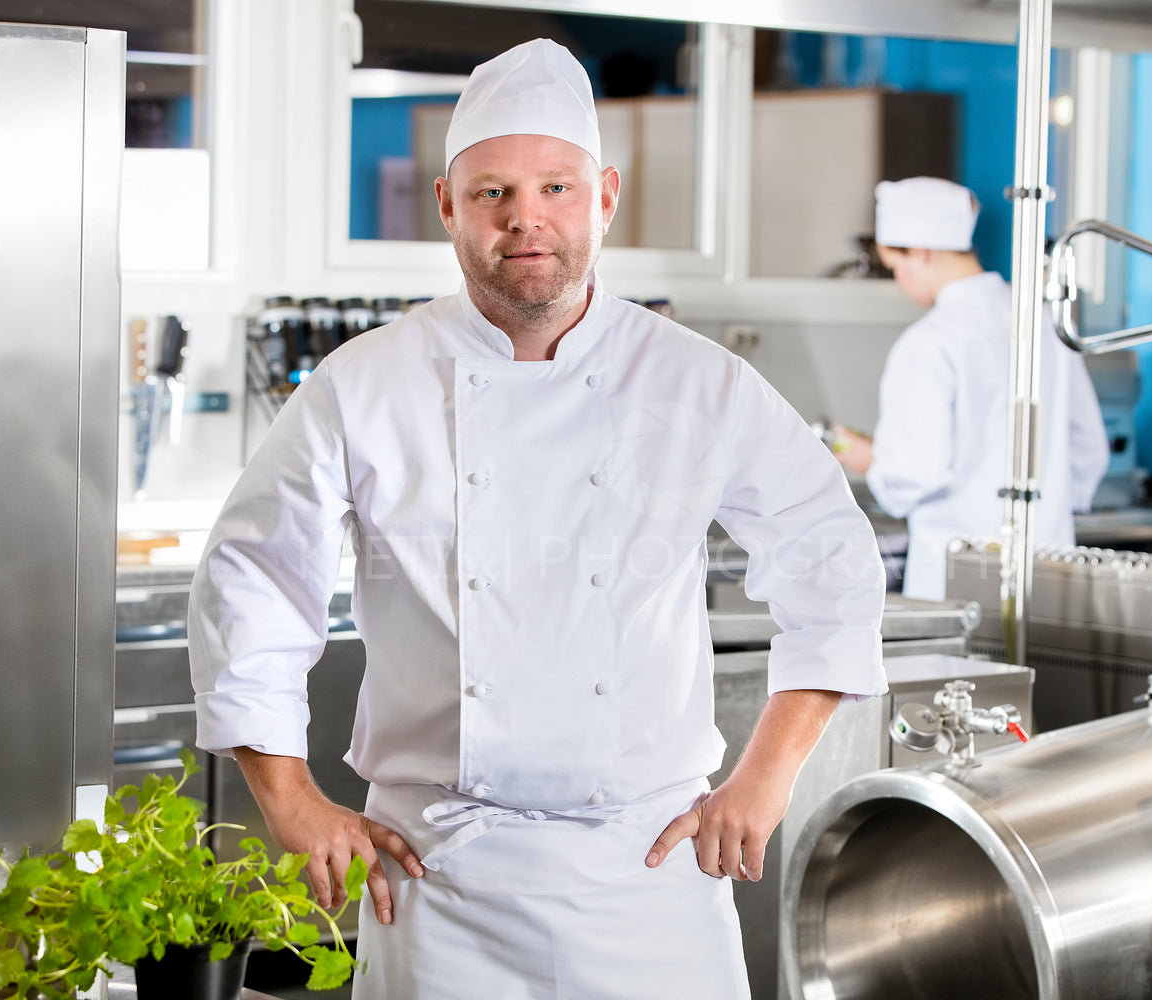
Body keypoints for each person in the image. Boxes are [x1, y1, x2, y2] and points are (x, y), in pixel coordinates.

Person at [188, 38, 887, 998]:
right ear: (447, 205)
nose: (528, 221)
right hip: (438, 881)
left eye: (556, 188)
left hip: (646, 880)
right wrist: (291, 800)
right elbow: (253, 581)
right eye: (492, 193)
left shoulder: (697, 382)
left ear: (603, 197)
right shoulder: (365, 384)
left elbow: (832, 563)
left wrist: (767, 777)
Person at [832, 176, 1109, 600]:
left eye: (896, 267)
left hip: (958, 581)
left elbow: (914, 472)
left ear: (920, 252)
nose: (900, 282)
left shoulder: (928, 343)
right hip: (1049, 571)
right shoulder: (1043, 324)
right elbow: (1089, 449)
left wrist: (868, 458)